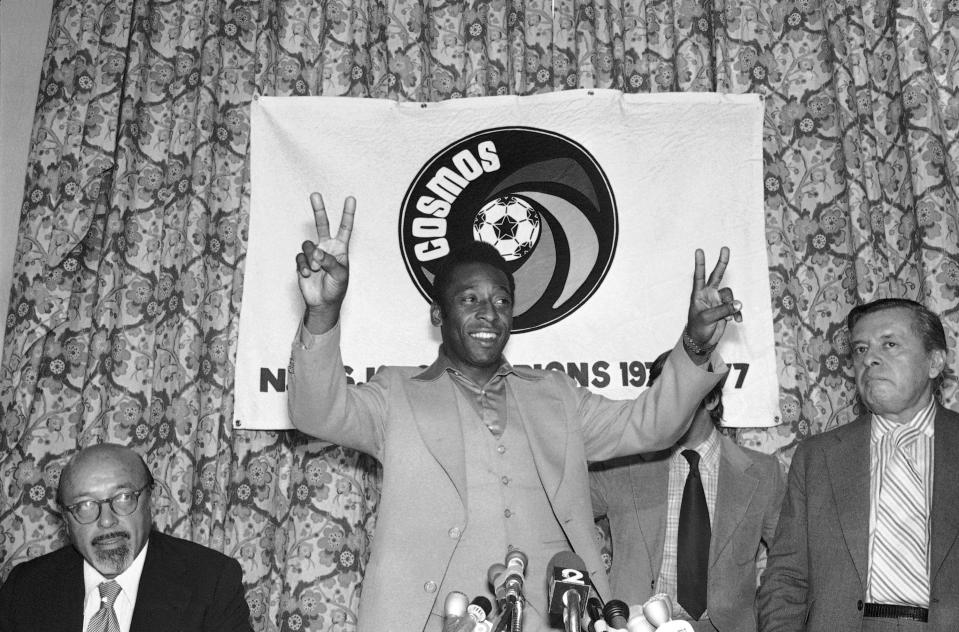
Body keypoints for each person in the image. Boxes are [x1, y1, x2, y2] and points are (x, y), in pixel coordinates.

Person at [287, 193, 743, 631]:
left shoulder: (557, 395)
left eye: (501, 301)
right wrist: (323, 314)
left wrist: (696, 343)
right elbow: (316, 412)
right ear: (436, 313)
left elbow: (653, 427)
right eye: (469, 300)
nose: (489, 313)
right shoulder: (396, 394)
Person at [758, 298, 959, 630]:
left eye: (889, 344)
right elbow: (786, 576)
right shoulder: (817, 458)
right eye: (860, 350)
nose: (870, 359)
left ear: (935, 361)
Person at [591, 349, 784, 631]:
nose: (669, 407)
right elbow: (561, 511)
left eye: (680, 394)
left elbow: (791, 562)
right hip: (636, 625)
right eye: (661, 396)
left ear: (712, 398)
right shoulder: (618, 466)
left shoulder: (763, 473)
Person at [0, 443, 252, 632]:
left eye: (123, 498)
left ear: (151, 501)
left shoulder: (211, 582)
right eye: (85, 505)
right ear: (65, 520)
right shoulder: (25, 588)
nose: (106, 521)